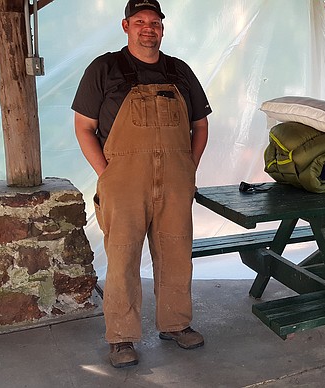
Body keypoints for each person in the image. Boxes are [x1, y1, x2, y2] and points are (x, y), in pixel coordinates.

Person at [72, 0, 211, 368]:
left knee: (176, 254)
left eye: (154, 22)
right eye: (140, 21)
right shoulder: (105, 69)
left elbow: (200, 125)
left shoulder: (179, 71)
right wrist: (107, 172)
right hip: (123, 182)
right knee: (122, 257)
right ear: (126, 26)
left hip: (175, 182)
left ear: (162, 28)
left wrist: (188, 167)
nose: (148, 28)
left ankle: (176, 324)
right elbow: (84, 128)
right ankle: (120, 338)